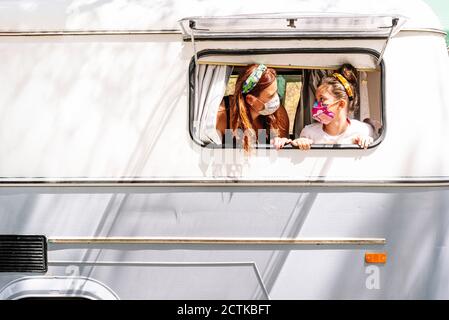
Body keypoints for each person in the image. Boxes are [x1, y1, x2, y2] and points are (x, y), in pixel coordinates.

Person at [291, 64, 375, 150]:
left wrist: (366, 141)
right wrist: (300, 143)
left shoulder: (364, 131)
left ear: (341, 104)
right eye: (316, 100)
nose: (316, 105)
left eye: (322, 99)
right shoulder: (308, 133)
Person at [216, 64, 290, 151]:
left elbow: (282, 153)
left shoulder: (279, 113)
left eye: (276, 92)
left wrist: (282, 141)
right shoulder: (222, 115)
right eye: (271, 96)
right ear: (250, 99)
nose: (276, 99)